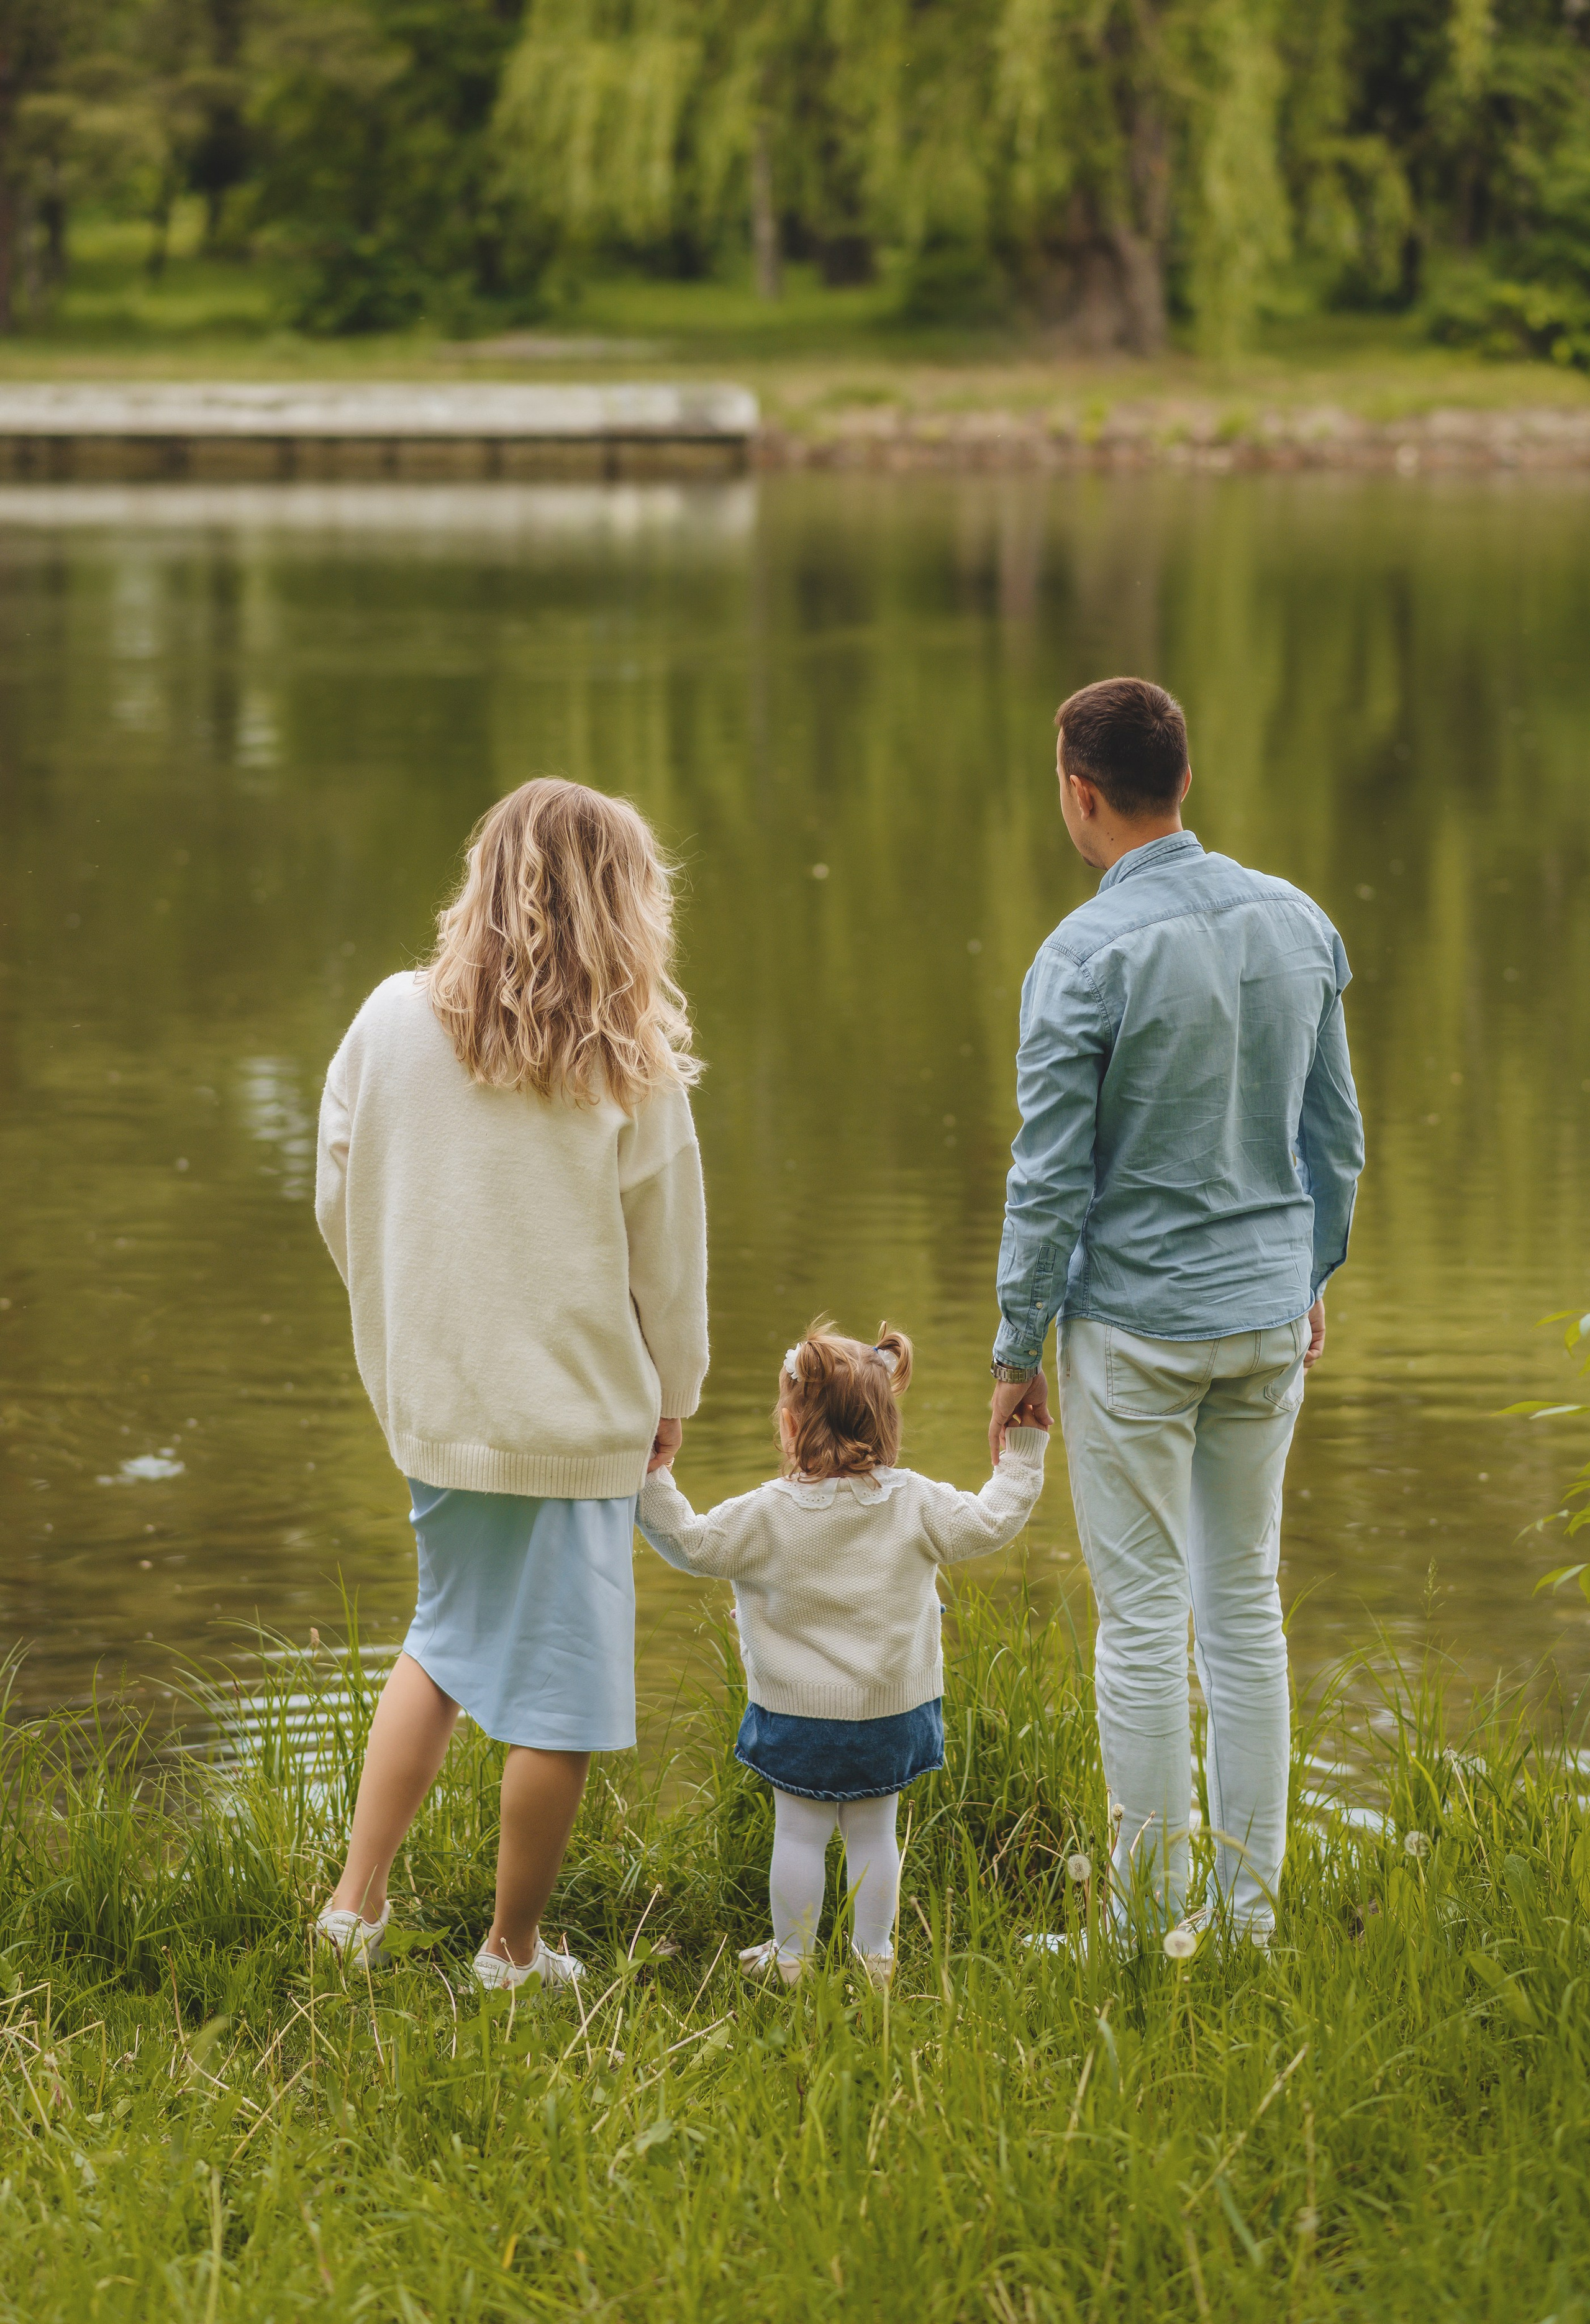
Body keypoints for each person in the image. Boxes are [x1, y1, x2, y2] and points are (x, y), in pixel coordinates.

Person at [312, 778, 709, 1990]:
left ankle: (353, 1904)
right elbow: (670, 1265)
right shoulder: (629, 1064)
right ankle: (511, 1947)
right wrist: (673, 1391)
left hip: (441, 1405)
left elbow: (339, 1188)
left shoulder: (387, 1020)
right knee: (559, 1702)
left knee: (440, 1639)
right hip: (573, 1418)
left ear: (483, 880)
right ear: (624, 908)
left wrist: (406, 1311)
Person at [987, 677, 1363, 1948]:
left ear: (1078, 795)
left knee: (1144, 1621)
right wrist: (1309, 1272)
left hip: (1136, 1331)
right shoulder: (1298, 922)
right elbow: (1338, 1143)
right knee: (1242, 1605)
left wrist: (1011, 1345)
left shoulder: (1079, 956)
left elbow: (1045, 1176)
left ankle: (1143, 1931)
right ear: (1183, 782)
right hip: (1265, 1320)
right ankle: (1248, 1920)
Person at [638, 1323, 1047, 1987]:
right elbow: (992, 1521)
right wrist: (1023, 1449)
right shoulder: (915, 1503)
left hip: (795, 1713)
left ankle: (793, 1959)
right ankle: (873, 1958)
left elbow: (689, 1543)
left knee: (798, 1835)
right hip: (893, 1711)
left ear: (791, 1426)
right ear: (887, 1423)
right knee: (872, 1835)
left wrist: (649, 1473)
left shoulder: (766, 1514)